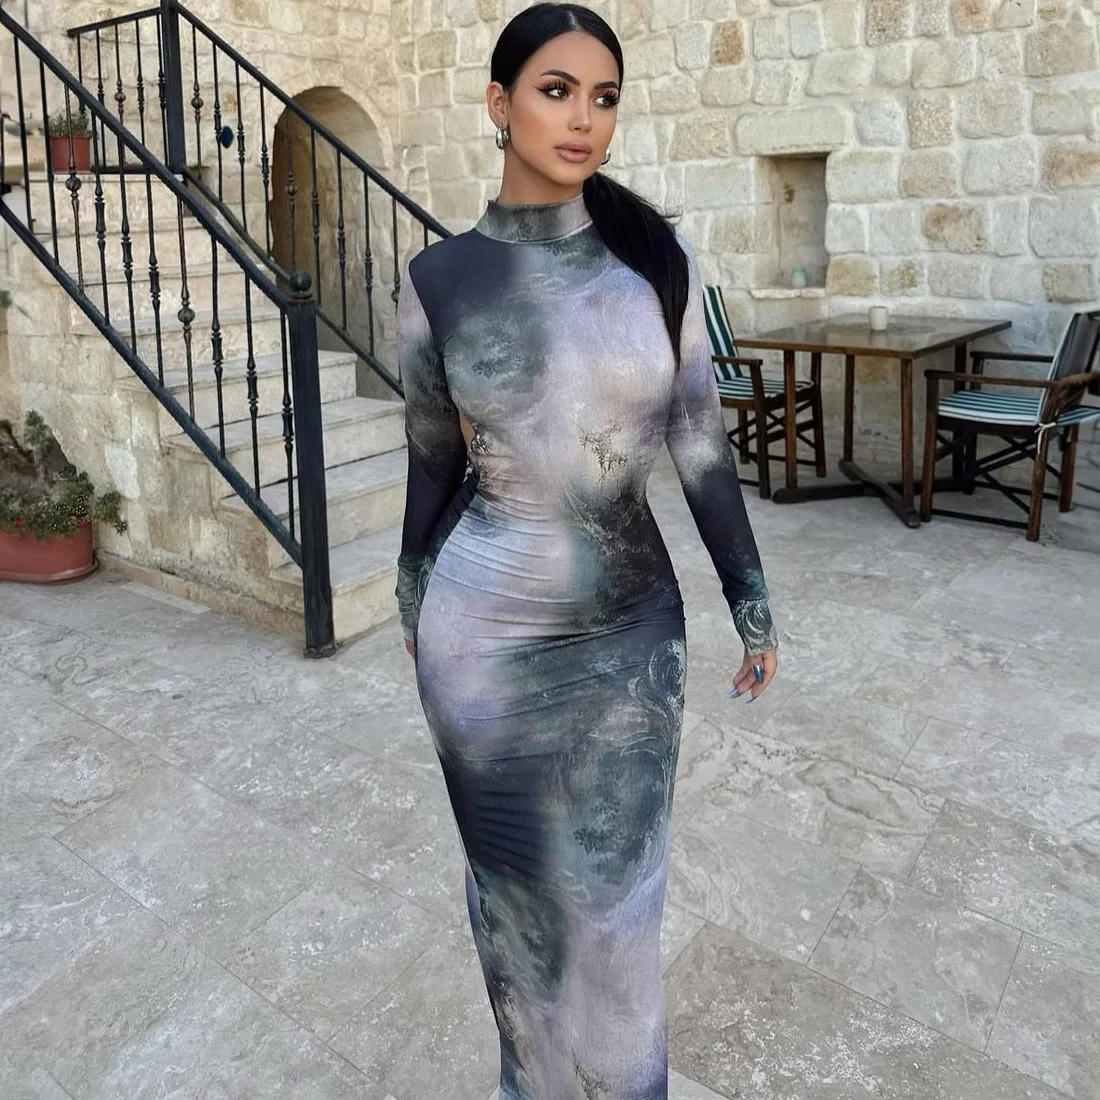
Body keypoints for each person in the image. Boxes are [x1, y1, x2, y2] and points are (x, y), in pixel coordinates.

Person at [394, 3, 778, 1096]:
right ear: (499, 103)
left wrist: (749, 594)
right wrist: (411, 591)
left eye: (603, 97)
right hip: (480, 644)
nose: (583, 118)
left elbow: (699, 441)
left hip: (631, 632)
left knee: (617, 912)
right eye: (556, 90)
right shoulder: (436, 279)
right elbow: (432, 459)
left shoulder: (655, 263)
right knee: (513, 912)